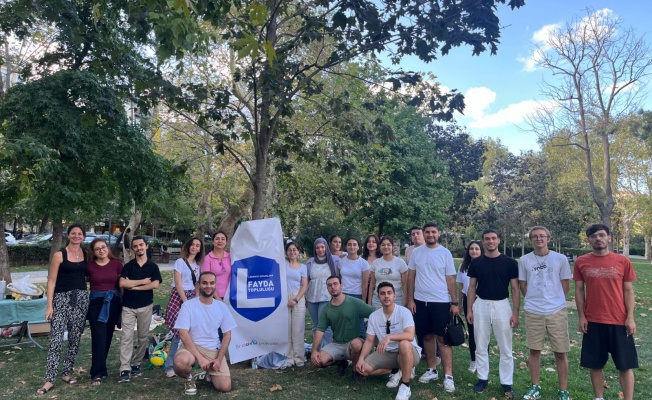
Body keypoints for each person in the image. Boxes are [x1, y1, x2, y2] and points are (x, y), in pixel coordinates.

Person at [574, 224, 638, 400]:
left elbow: (628, 291)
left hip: (619, 321)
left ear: (609, 238)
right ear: (589, 239)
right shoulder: (581, 262)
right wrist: (582, 316)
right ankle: (599, 397)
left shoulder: (622, 261)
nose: (598, 239)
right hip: (593, 321)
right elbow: (579, 290)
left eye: (602, 235)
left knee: (625, 366)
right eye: (593, 236)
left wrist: (630, 318)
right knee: (595, 364)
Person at [519, 226, 572, 400]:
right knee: (534, 350)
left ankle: (563, 390)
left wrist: (554, 300)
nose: (538, 239)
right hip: (533, 311)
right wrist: (535, 300)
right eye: (535, 236)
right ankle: (535, 386)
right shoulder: (524, 260)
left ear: (548, 238)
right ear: (531, 239)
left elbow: (565, 285)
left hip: (556, 311)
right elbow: (523, 285)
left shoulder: (560, 258)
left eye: (542, 236)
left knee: (560, 351)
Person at [37, 224, 90, 395]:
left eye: (79, 234)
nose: (76, 236)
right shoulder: (59, 255)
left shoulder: (86, 254)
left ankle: (66, 373)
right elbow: (51, 281)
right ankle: (49, 379)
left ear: (83, 236)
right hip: (61, 299)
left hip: (81, 298)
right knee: (56, 340)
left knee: (75, 338)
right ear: (68, 236)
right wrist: (49, 305)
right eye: (73, 233)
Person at [405, 222, 458, 393]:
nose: (430, 235)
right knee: (427, 337)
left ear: (439, 233)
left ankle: (448, 376)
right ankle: (431, 369)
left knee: (443, 339)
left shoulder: (445, 253)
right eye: (427, 232)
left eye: (433, 232)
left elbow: (450, 279)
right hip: (420, 302)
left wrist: (454, 302)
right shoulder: (416, 253)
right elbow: (411, 277)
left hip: (441, 302)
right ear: (423, 234)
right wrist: (411, 300)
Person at [466, 229, 519, 398]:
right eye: (487, 239)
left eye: (493, 238)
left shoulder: (510, 262)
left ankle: (507, 383)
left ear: (499, 240)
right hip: (480, 304)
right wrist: (469, 309)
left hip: (502, 305)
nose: (490, 241)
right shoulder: (476, 262)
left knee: (506, 346)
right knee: (480, 344)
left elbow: (515, 288)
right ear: (483, 241)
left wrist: (516, 312)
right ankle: (482, 378)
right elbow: (472, 286)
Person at [173, 271, 237, 395]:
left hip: (213, 349)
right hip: (191, 347)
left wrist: (218, 359)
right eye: (204, 283)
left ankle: (207, 375)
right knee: (180, 363)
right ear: (199, 285)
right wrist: (200, 358)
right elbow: (183, 334)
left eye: (212, 283)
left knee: (225, 387)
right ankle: (189, 379)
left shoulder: (221, 307)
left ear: (215, 285)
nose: (208, 286)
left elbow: (227, 335)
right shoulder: (188, 306)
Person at [356, 282, 421, 400]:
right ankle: (396, 370)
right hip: (387, 353)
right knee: (363, 370)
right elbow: (369, 341)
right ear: (378, 297)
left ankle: (405, 386)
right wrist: (360, 358)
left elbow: (410, 335)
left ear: (394, 296)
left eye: (389, 293)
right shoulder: (374, 316)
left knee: (404, 344)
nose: (386, 296)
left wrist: (389, 337)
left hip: (409, 352)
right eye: (382, 293)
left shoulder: (404, 312)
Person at [311, 276, 376, 379]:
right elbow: (320, 330)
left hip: (354, 343)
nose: (333, 287)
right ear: (327, 288)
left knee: (356, 344)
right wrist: (314, 350)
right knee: (319, 361)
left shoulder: (354, 302)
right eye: (329, 285)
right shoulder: (326, 309)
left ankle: (356, 371)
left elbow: (373, 311)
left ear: (341, 285)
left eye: (335, 284)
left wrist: (391, 308)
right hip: (337, 344)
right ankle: (342, 362)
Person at [118, 236, 163, 383]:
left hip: (145, 306)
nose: (139, 248)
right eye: (135, 246)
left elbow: (155, 285)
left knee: (143, 337)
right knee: (126, 337)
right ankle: (125, 368)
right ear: (133, 249)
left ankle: (136, 364)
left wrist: (134, 286)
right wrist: (143, 282)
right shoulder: (128, 266)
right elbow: (122, 282)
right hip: (128, 307)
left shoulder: (153, 267)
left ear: (146, 246)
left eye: (141, 245)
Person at [163, 238, 204, 378]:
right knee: (178, 333)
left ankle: (188, 362)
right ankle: (169, 366)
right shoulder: (180, 262)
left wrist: (197, 300)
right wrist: (186, 302)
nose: (194, 247)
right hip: (179, 298)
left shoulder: (198, 265)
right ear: (188, 246)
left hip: (193, 297)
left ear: (199, 249)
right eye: (192, 244)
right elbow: (178, 284)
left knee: (191, 333)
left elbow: (198, 284)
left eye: (197, 246)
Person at [86, 237, 124, 386]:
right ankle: (97, 372)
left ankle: (100, 368)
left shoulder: (117, 264)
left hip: (113, 302)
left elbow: (121, 285)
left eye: (103, 247)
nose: (101, 250)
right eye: (97, 249)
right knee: (99, 336)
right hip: (96, 304)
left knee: (107, 336)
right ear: (93, 252)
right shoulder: (89, 266)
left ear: (107, 248)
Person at [305, 237, 341, 350]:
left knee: (326, 325)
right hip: (312, 297)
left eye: (322, 247)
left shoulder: (334, 260)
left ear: (326, 247)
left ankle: (327, 349)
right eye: (317, 248)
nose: (320, 250)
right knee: (316, 324)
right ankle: (317, 348)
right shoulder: (310, 262)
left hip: (327, 297)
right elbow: (307, 279)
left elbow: (339, 277)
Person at [456, 240, 483, 373]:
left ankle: (483, 360)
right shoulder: (463, 266)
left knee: (482, 332)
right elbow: (461, 287)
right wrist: (459, 304)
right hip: (468, 301)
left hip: (483, 300)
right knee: (472, 332)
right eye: (472, 249)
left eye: (477, 249)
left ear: (481, 250)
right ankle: (474, 360)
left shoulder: (485, 264)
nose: (474, 251)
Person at [285, 242, 308, 367]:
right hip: (285, 297)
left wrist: (296, 299)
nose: (292, 252)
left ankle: (299, 357)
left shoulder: (303, 267)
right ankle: (288, 357)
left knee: (298, 328)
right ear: (286, 252)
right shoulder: (283, 265)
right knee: (287, 329)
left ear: (298, 251)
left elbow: (304, 285)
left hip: (298, 297)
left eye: (294, 249)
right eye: (289, 250)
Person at [370, 236, 408, 307]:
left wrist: (405, 301)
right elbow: (372, 285)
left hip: (397, 298)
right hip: (378, 299)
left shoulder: (400, 263)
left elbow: (405, 284)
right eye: (383, 245)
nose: (386, 247)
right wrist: (369, 302)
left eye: (388, 244)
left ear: (392, 247)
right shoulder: (375, 263)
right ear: (380, 247)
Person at [200, 231, 231, 299]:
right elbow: (205, 280)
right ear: (213, 242)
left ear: (226, 242)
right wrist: (218, 299)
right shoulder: (207, 259)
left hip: (230, 296)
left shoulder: (230, 257)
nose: (220, 241)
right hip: (213, 296)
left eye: (223, 239)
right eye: (217, 239)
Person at [362, 234, 381, 304]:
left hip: (377, 288)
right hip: (364, 288)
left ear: (377, 244)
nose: (371, 243)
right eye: (369, 241)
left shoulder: (381, 259)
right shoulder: (362, 259)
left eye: (374, 242)